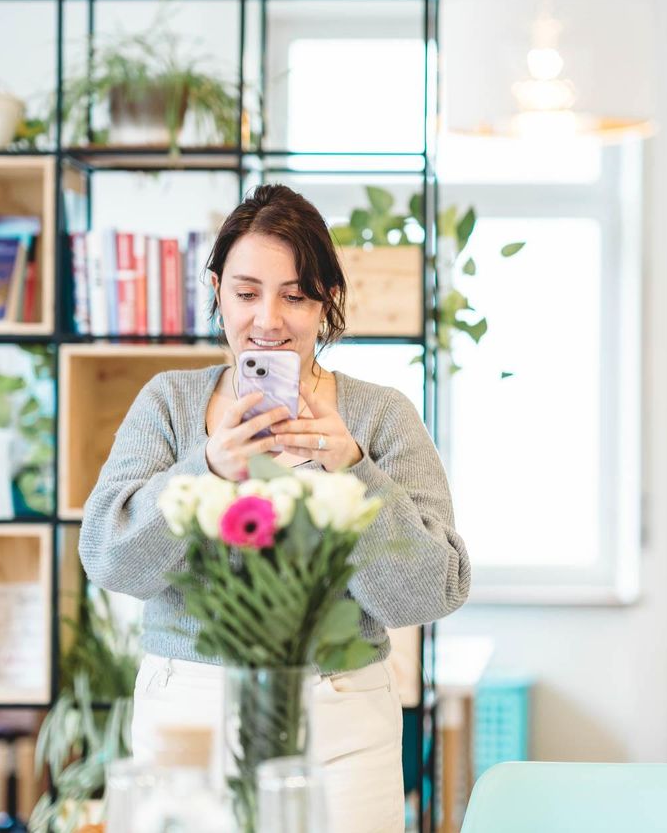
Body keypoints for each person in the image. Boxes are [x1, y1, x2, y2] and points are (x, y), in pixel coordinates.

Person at [78, 183, 470, 833]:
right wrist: (205, 468)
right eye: (247, 291)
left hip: (342, 725)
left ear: (327, 301)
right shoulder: (170, 404)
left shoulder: (379, 417)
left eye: (295, 294)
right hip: (187, 721)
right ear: (216, 290)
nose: (269, 318)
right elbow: (107, 555)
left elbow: (433, 589)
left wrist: (354, 472)